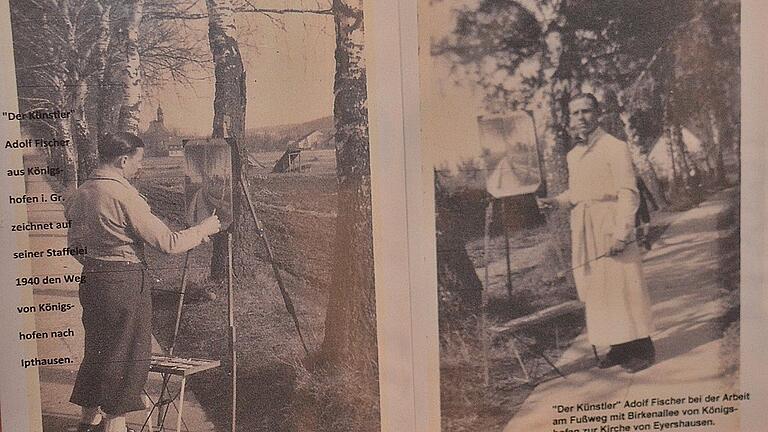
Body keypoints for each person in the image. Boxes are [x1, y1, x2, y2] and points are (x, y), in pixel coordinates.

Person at [64, 132, 221, 432]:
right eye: (138, 161)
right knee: (127, 353)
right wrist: (203, 228)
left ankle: (87, 420)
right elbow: (168, 242)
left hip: (92, 280)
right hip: (124, 281)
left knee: (97, 347)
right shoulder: (124, 196)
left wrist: (98, 262)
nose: (140, 167)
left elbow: (74, 246)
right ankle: (115, 423)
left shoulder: (80, 192)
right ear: (123, 160)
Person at [538, 93, 655, 373]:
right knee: (599, 290)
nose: (581, 118)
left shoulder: (615, 147)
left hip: (610, 222)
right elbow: (578, 192)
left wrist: (622, 233)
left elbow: (628, 192)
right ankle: (618, 346)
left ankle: (642, 348)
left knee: (624, 285)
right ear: (570, 118)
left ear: (598, 113)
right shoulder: (573, 154)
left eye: (586, 111)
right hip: (585, 227)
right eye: (575, 113)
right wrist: (555, 201)